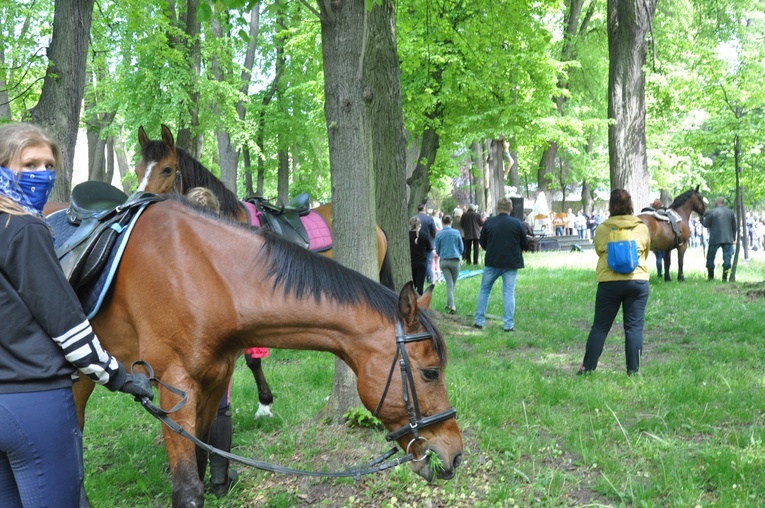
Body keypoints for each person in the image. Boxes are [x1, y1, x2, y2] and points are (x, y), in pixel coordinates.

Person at [0, 122, 153, 507]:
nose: (42, 175)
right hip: (34, 401)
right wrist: (117, 376)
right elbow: (66, 323)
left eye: (48, 166)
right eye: (29, 163)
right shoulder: (24, 229)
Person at [185, 186, 239, 496]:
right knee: (220, 406)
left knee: (188, 407)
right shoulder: (228, 249)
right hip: (218, 340)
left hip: (185, 345)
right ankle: (219, 482)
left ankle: (193, 477)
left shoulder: (174, 250)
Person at [578, 189, 650, 376]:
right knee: (634, 328)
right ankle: (633, 371)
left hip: (609, 282)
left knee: (600, 327)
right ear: (630, 205)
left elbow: (599, 250)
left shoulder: (603, 228)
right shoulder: (641, 227)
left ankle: (587, 368)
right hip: (637, 280)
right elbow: (645, 251)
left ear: (611, 205)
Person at [472, 198, 528, 332]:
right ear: (511, 209)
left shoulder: (489, 222)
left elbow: (482, 242)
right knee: (508, 293)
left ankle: (479, 321)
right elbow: (524, 243)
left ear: (497, 208)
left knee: (484, 291)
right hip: (511, 262)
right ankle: (508, 325)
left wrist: (491, 249)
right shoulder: (517, 223)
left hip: (492, 261)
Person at [703, 196, 737, 281]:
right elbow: (734, 226)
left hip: (715, 238)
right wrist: (733, 238)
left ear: (716, 203)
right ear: (723, 203)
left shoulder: (712, 212)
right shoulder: (730, 212)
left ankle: (711, 277)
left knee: (710, 258)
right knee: (727, 259)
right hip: (728, 238)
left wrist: (702, 218)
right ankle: (724, 278)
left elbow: (705, 224)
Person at [435, 215, 463, 314]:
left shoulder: (439, 234)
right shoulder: (456, 232)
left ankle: (448, 303)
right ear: (451, 222)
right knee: (452, 284)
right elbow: (461, 247)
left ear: (442, 222)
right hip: (455, 260)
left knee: (449, 284)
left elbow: (437, 249)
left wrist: (442, 254)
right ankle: (453, 306)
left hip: (444, 261)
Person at [409, 216, 432, 294]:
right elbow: (429, 247)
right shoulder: (424, 235)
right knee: (420, 285)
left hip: (412, 263)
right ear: (420, 225)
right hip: (422, 262)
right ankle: (420, 302)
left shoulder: (407, 235)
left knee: (413, 284)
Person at [416, 204, 436, 282]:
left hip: (417, 243)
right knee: (428, 261)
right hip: (428, 244)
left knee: (418, 261)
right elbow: (433, 232)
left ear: (418, 210)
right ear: (425, 209)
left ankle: (419, 278)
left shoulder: (414, 218)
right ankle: (429, 278)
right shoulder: (430, 219)